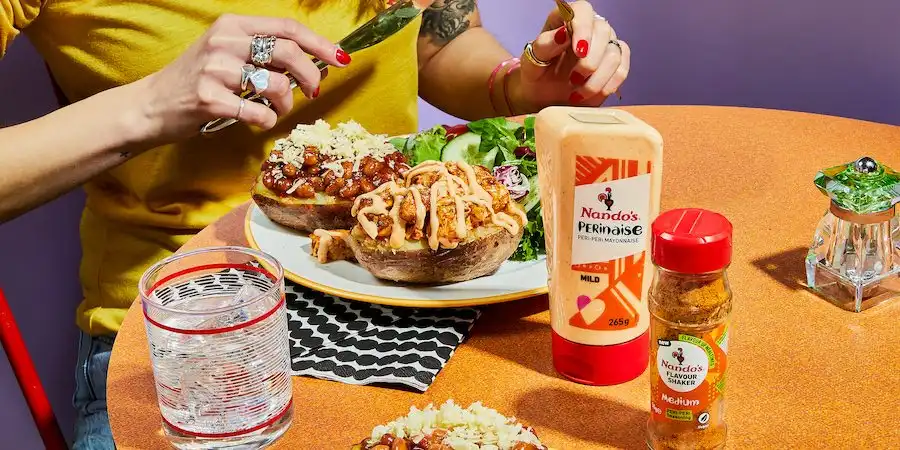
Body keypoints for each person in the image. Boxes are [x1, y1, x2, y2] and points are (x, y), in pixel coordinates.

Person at [0, 0, 630, 447]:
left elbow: (436, 34)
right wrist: (150, 105)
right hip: (188, 342)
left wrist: (515, 84)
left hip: (414, 307)